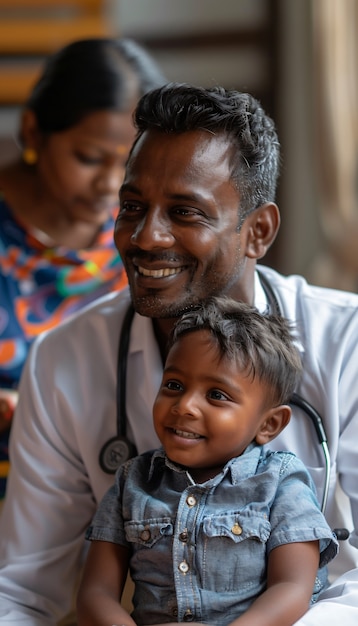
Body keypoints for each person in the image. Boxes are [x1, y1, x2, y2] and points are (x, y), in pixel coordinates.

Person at [0, 83, 357, 625]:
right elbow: (22, 592)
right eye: (133, 207)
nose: (147, 237)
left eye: (186, 212)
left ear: (257, 230)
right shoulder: (64, 361)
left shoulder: (347, 342)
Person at [76, 297, 338, 626]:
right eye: (173, 385)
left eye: (216, 395)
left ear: (268, 424)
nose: (185, 406)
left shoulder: (281, 482)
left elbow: (292, 588)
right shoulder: (133, 481)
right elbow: (95, 595)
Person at [0, 37, 166, 498]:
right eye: (89, 158)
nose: (110, 184)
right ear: (33, 133)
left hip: (116, 492)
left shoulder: (151, 238)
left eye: (130, 162)